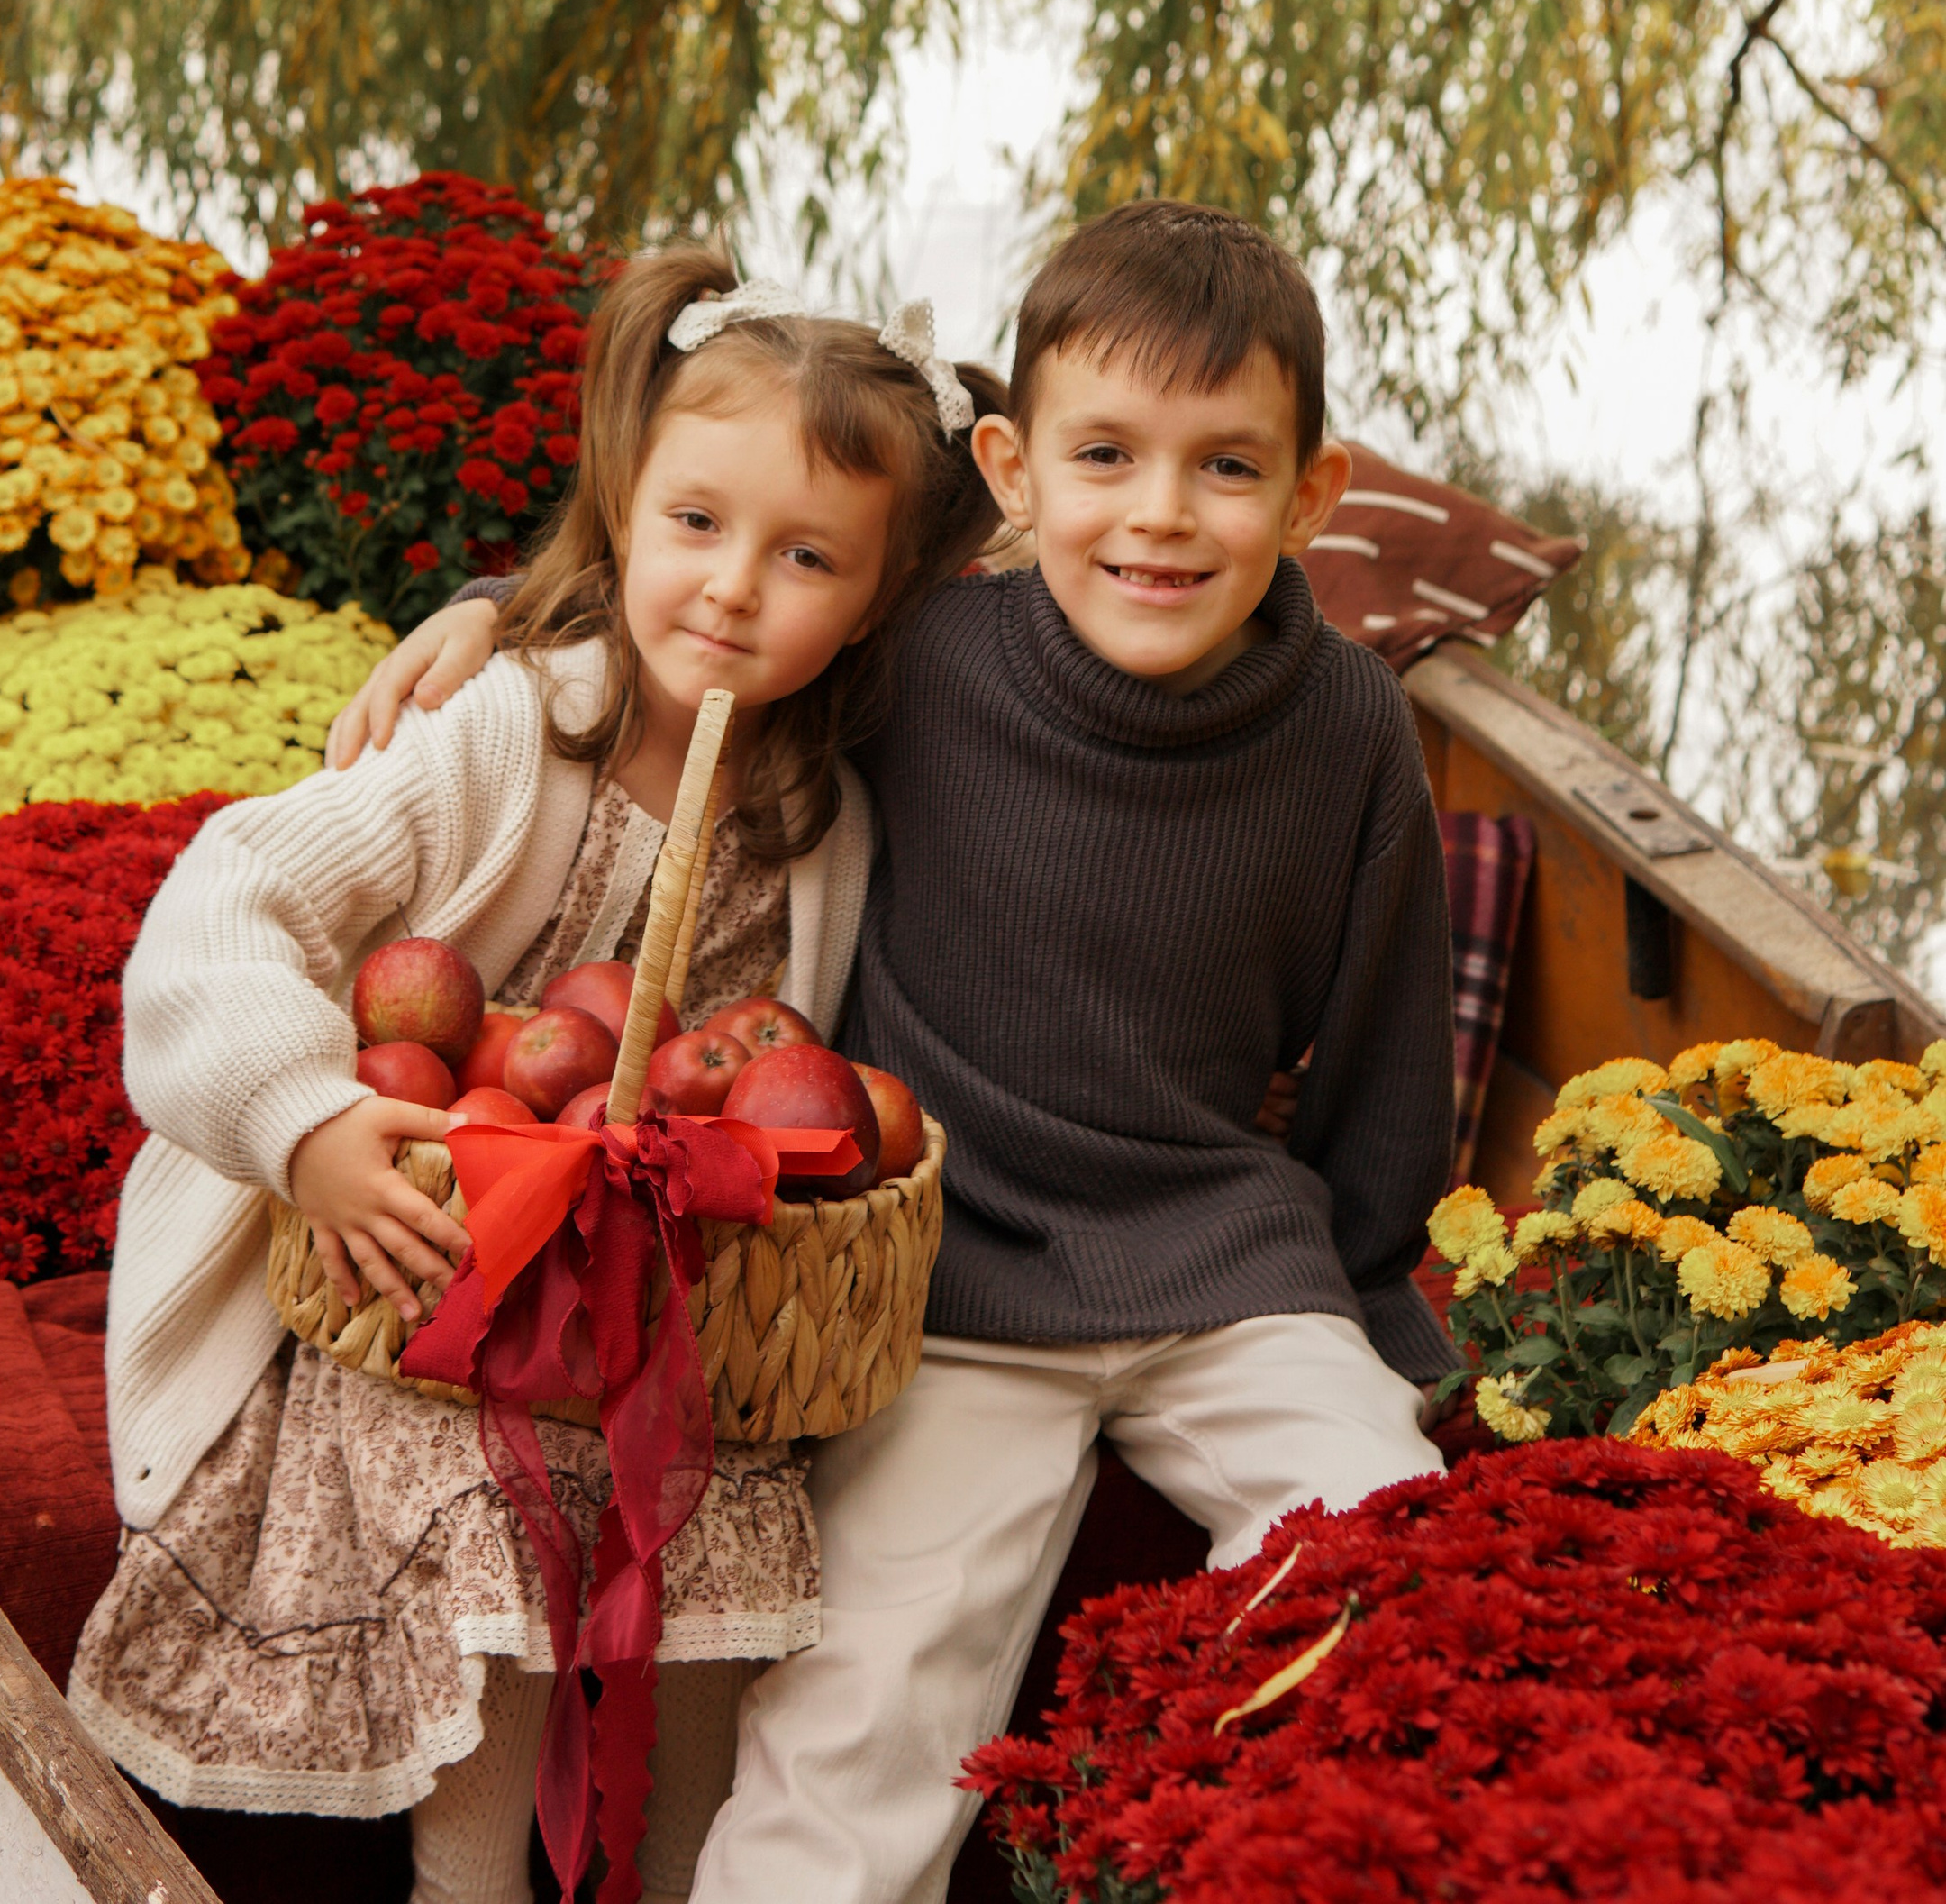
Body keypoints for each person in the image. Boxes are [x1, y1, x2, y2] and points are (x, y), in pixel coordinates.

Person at [332, 200, 1457, 1904]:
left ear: (1313, 494)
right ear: (1009, 470)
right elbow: (735, 600)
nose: (1159, 516)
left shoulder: (1355, 730)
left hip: (1233, 1270)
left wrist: (1382, 1319)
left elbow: (1383, 1055)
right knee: (858, 1735)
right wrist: (507, 604)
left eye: (1227, 471)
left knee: (1399, 1575)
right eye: (1105, 456)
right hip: (952, 1287)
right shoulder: (926, 662)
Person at [68, 246, 1006, 1904]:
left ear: (878, 599)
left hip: (667, 1319)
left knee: (723, 1547)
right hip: (428, 1287)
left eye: (808, 559)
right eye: (695, 524)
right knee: (491, 1523)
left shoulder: (822, 815)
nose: (731, 588)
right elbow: (228, 900)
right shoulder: (511, 733)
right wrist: (314, 1125)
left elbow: (1025, 561)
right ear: (627, 506)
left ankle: (674, 1876)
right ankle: (472, 1887)